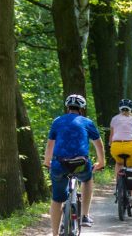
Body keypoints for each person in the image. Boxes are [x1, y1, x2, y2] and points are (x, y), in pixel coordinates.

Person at [43, 94, 105, 236]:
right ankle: (85, 215)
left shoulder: (57, 121)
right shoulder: (87, 122)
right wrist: (101, 162)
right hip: (80, 164)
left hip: (59, 164)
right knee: (87, 180)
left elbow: (50, 145)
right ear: (82, 108)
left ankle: (54, 233)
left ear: (67, 107)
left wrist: (47, 162)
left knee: (57, 199)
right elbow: (98, 145)